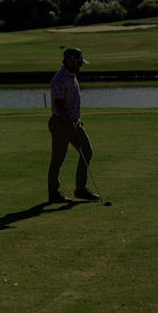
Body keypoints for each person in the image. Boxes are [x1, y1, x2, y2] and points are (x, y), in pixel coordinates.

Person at [47, 47, 101, 203]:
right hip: (61, 123)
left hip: (73, 122)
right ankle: (53, 193)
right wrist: (70, 123)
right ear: (69, 61)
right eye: (78, 62)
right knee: (58, 159)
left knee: (87, 151)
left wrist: (74, 122)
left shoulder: (72, 75)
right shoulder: (59, 79)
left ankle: (81, 189)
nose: (80, 65)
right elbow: (59, 105)